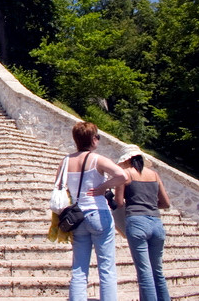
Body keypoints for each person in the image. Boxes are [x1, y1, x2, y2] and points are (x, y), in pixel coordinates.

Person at [53, 121, 126, 301]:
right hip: (98, 211)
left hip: (76, 217)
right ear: (93, 139)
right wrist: (104, 187)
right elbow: (123, 176)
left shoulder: (66, 161)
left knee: (79, 268)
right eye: (97, 137)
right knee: (106, 267)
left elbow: (59, 186)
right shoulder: (97, 159)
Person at [114, 144, 171, 301]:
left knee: (144, 272)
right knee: (157, 271)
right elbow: (166, 203)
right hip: (156, 223)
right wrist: (150, 205)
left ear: (127, 160)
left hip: (136, 222)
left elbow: (118, 202)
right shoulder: (154, 175)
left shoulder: (125, 175)